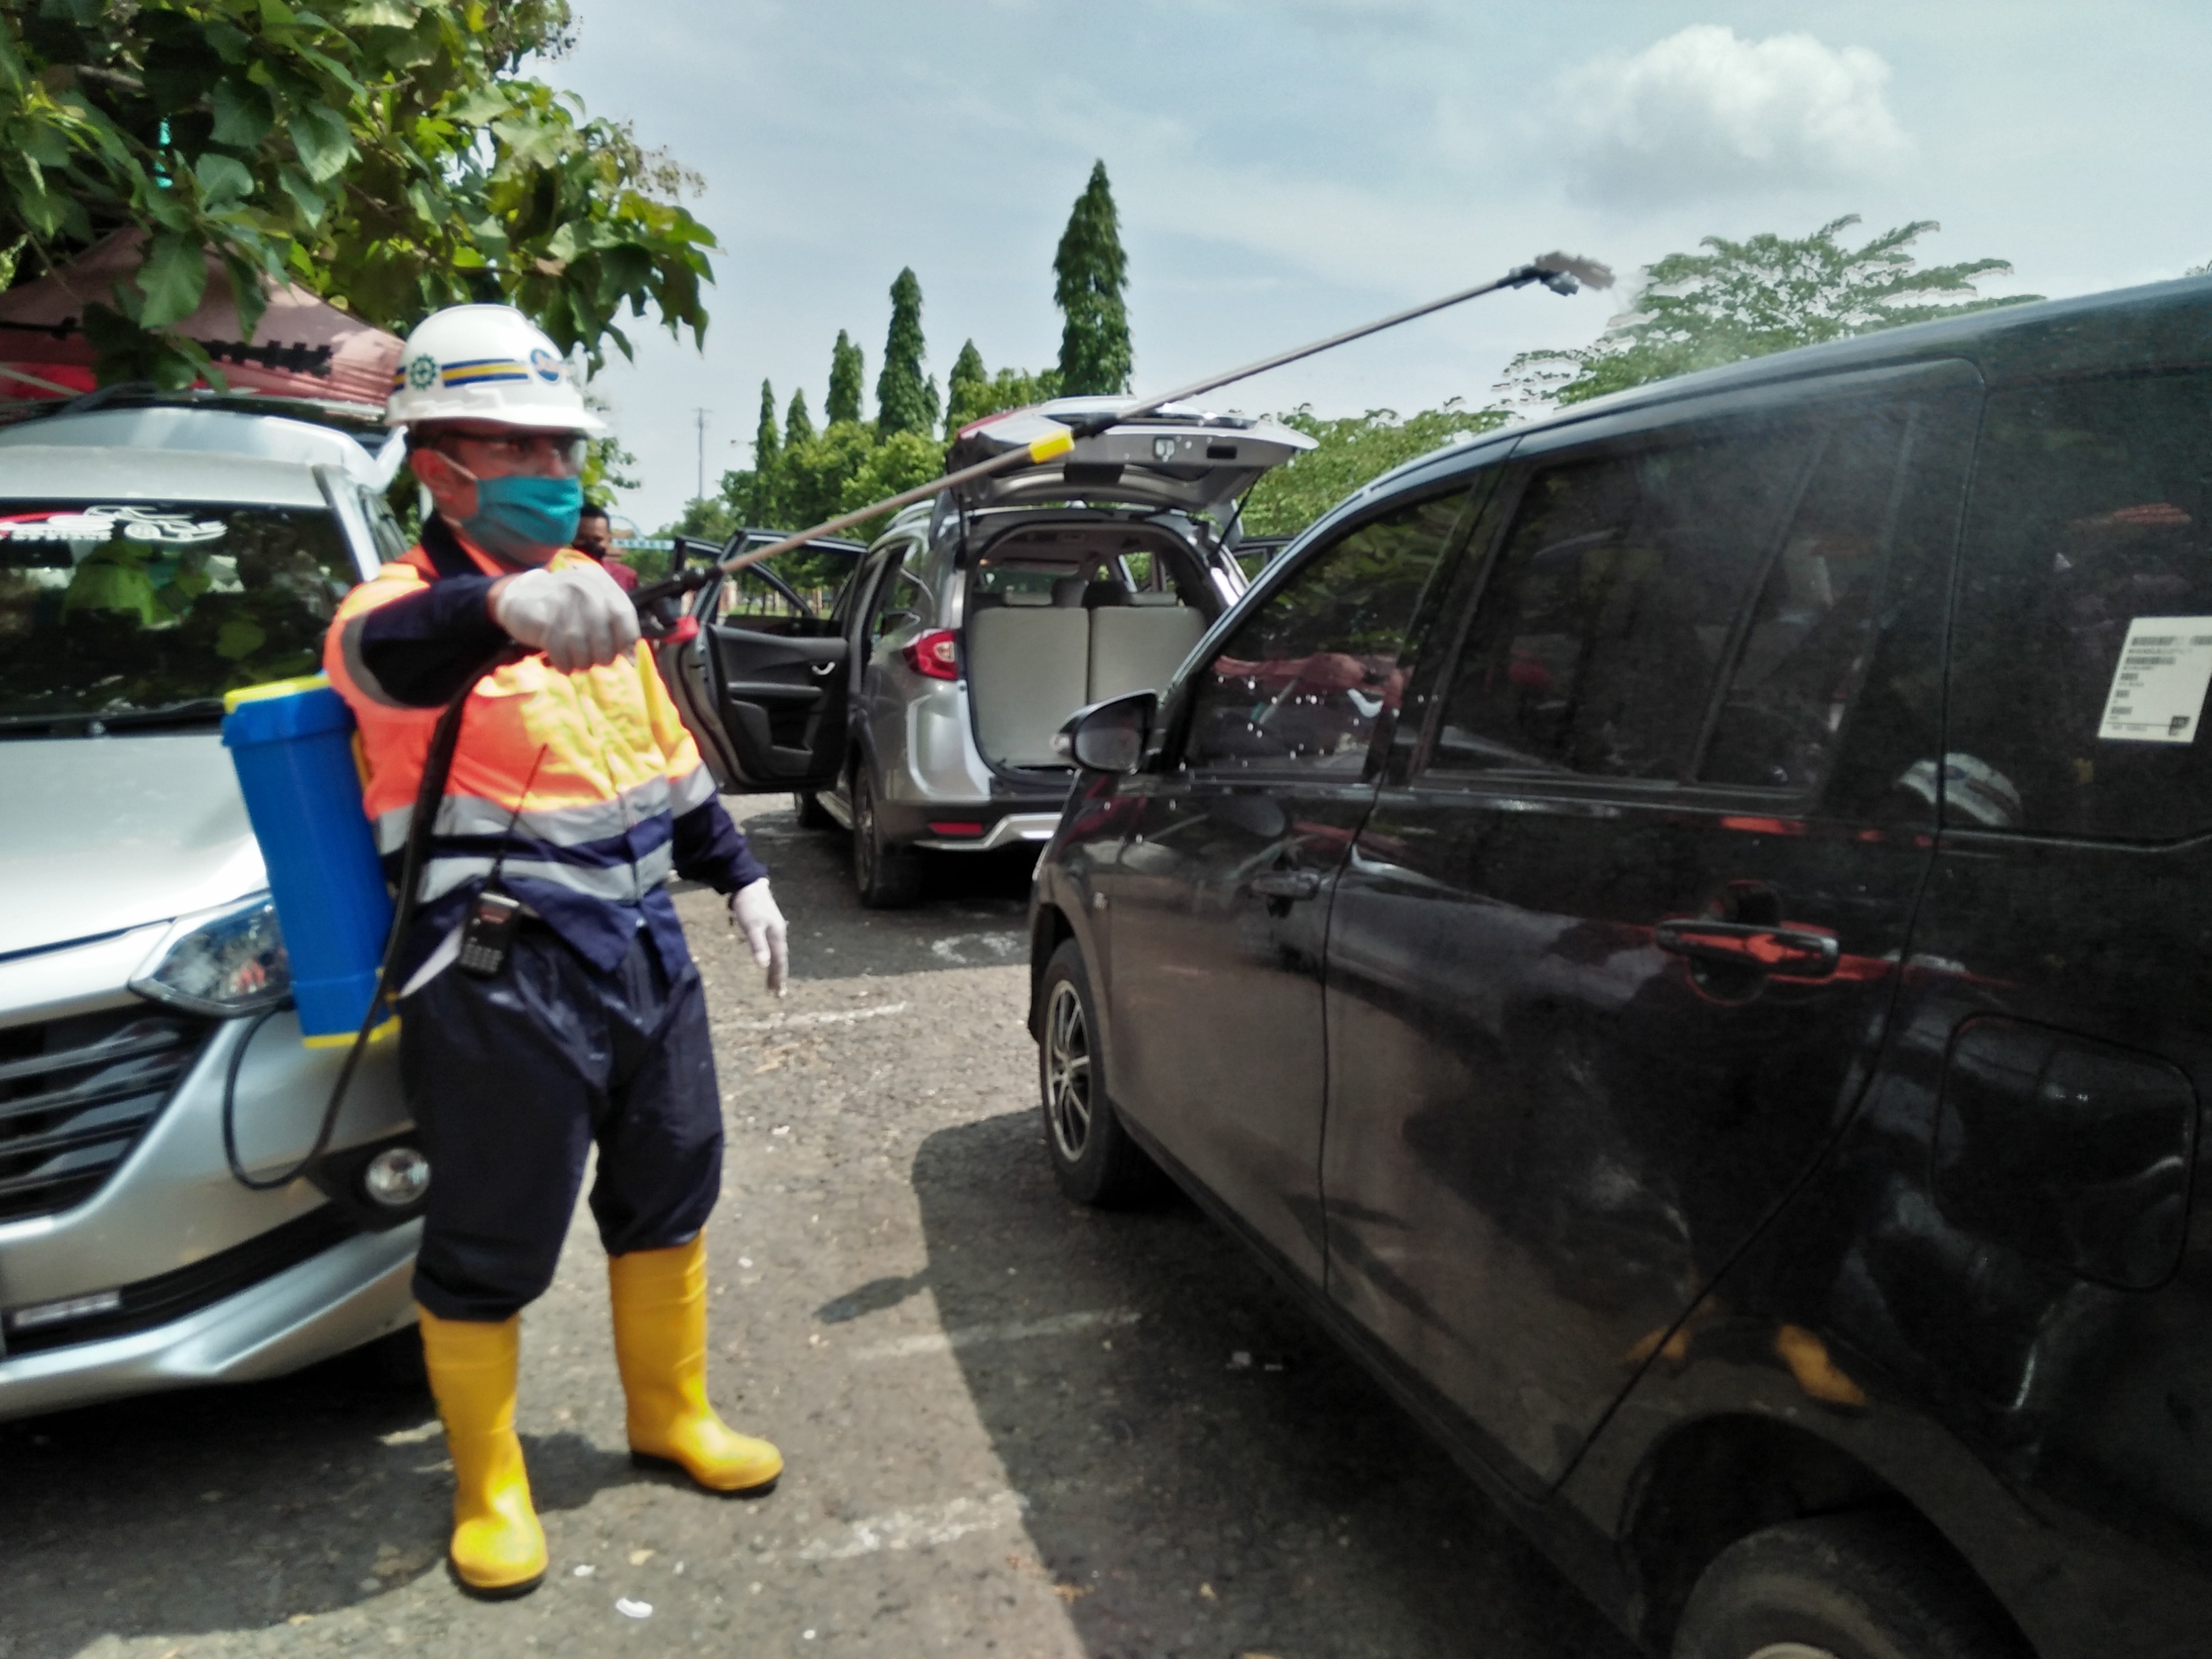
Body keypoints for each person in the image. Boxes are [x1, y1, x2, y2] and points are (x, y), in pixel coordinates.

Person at [324, 304, 790, 1599]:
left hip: (647, 958)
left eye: (561, 444)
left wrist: (741, 875)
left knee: (673, 1183)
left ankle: (669, 1414)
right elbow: (388, 659)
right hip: (499, 977)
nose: (553, 470)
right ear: (438, 463)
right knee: (491, 1231)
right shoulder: (397, 611)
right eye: (517, 446)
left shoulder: (600, 603)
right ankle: (488, 1483)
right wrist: (506, 604)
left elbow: (667, 762)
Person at [572, 501, 638, 592]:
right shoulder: (555, 571)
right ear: (571, 537)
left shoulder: (625, 576)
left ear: (609, 540)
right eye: (583, 538)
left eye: (597, 540)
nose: (590, 545)